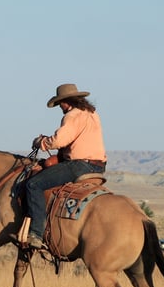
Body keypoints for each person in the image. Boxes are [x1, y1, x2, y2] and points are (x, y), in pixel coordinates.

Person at [24, 83, 107, 249]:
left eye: (60, 103)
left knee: (33, 184)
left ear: (66, 101)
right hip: (99, 166)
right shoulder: (92, 113)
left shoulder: (72, 116)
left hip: (79, 165)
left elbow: (59, 140)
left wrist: (41, 142)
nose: (60, 107)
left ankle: (36, 233)